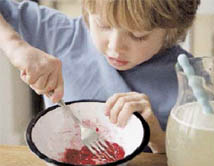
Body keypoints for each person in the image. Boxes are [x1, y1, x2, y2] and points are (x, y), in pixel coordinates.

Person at [0, 0, 200, 153]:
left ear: (172, 30)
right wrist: (16, 47)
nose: (115, 47)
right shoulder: (60, 34)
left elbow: (202, 162)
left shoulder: (194, 81)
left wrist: (157, 139)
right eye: (103, 25)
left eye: (138, 35)